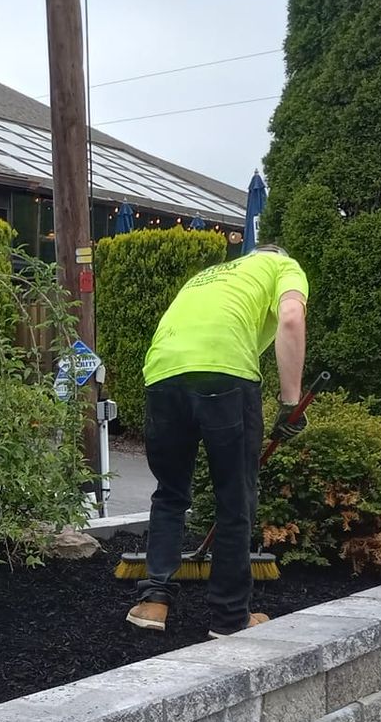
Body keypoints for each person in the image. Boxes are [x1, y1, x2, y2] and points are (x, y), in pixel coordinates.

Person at [125, 244, 309, 637]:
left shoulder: (209, 276)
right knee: (235, 499)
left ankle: (153, 601)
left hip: (162, 373)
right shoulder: (283, 265)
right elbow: (292, 318)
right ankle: (229, 617)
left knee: (170, 492)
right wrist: (290, 403)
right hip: (225, 375)